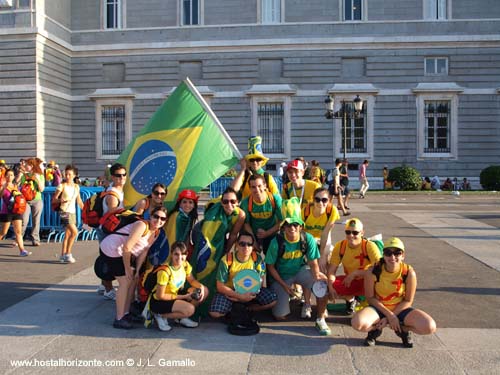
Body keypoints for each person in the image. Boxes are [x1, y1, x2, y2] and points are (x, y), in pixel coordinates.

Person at [351, 237, 437, 347]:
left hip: (401, 309)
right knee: (357, 323)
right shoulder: (372, 271)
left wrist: (390, 317)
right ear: (383, 255)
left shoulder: (408, 272)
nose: (392, 257)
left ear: (403, 255)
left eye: (397, 253)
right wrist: (389, 316)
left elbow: (408, 300)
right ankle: (375, 330)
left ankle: (402, 330)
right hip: (379, 308)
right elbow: (370, 298)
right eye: (388, 253)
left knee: (429, 327)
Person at [265, 197, 331, 335]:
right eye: (288, 225)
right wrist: (284, 285)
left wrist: (318, 275)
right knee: (279, 316)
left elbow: (313, 262)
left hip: (301, 270)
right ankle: (285, 299)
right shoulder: (276, 242)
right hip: (282, 276)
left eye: (296, 224)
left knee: (322, 286)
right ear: (283, 227)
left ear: (301, 226)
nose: (292, 228)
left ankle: (320, 318)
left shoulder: (308, 238)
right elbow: (270, 266)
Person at [99, 206, 166, 329]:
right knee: (125, 282)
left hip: (124, 253)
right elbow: (127, 247)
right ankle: (119, 318)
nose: (158, 220)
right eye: (156, 216)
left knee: (133, 280)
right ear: (150, 216)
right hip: (112, 248)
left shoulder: (156, 232)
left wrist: (137, 271)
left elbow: (143, 251)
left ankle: (126, 313)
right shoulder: (141, 225)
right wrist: (127, 268)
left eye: (162, 218)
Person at [190, 187, 246, 317]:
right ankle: (195, 300)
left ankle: (206, 299)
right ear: (221, 202)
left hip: (220, 239)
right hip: (202, 234)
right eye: (225, 202)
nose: (229, 205)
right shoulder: (215, 206)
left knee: (215, 266)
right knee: (202, 264)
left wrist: (225, 252)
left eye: (233, 201)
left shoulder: (240, 215)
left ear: (238, 202)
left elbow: (233, 235)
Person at [209, 230, 277, 319]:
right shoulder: (227, 259)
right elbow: (220, 286)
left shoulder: (257, 258)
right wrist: (238, 296)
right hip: (231, 291)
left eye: (249, 244)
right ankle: (233, 309)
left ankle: (252, 308)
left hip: (251, 290)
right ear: (236, 245)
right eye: (242, 244)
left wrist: (250, 296)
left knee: (273, 301)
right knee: (214, 313)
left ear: (253, 247)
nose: (246, 247)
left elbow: (260, 281)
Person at [145, 241, 208, 331]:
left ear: (186, 255)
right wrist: (184, 297)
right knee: (190, 309)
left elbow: (192, 280)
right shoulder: (165, 271)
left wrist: (200, 287)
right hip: (159, 301)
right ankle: (159, 315)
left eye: (183, 254)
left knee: (204, 290)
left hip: (175, 295)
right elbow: (160, 296)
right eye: (176, 254)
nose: (179, 257)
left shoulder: (185, 265)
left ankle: (180, 317)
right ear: (171, 254)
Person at [327, 218, 381, 315]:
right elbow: (331, 271)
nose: (351, 236)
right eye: (348, 232)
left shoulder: (369, 246)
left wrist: (356, 273)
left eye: (355, 233)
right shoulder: (340, 246)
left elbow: (380, 269)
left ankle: (372, 305)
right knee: (324, 287)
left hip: (368, 282)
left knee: (382, 286)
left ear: (362, 233)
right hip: (350, 281)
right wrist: (330, 286)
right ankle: (351, 299)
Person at [300, 187, 340, 319]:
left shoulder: (331, 211)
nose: (321, 203)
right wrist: (312, 256)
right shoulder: (305, 211)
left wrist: (322, 256)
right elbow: (302, 233)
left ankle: (323, 304)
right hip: (307, 241)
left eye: (324, 200)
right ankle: (306, 303)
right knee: (308, 270)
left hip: (323, 240)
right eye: (317, 199)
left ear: (329, 201)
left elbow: (325, 233)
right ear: (313, 199)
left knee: (326, 268)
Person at [97, 163, 127, 300]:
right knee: (108, 260)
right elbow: (113, 213)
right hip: (108, 231)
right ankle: (108, 289)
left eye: (123, 175)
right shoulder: (113, 194)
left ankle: (104, 285)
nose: (121, 178)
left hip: (112, 231)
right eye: (118, 175)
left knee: (108, 259)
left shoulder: (120, 190)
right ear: (113, 177)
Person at [240, 174, 283, 254]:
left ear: (265, 186)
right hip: (253, 234)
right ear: (249, 188)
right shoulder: (246, 203)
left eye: (259, 186)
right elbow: (246, 224)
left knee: (272, 255)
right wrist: (253, 241)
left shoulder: (275, 199)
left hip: (271, 232)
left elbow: (282, 221)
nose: (257, 189)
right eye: (253, 187)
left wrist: (267, 233)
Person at [52, 165, 84, 263]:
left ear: (74, 175)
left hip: (72, 211)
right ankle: (68, 254)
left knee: (68, 234)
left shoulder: (76, 186)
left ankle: (62, 254)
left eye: (69, 174)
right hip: (64, 211)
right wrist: (60, 200)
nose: (67, 176)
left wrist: (86, 211)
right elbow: (54, 199)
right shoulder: (62, 185)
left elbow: (79, 200)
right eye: (66, 174)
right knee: (75, 232)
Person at [231, 136, 279, 200]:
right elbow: (233, 189)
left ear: (262, 161)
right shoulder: (244, 176)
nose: (255, 162)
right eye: (252, 160)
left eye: (258, 159)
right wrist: (243, 169)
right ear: (249, 162)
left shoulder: (267, 177)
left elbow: (277, 198)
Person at [0, 169, 29, 256]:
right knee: (3, 233)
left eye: (11, 175)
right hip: (6, 212)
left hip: (16, 211)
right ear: (5, 176)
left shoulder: (15, 186)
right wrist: (4, 187)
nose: (9, 177)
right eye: (8, 175)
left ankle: (22, 250)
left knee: (18, 232)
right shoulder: (2, 186)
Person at [18, 157, 45, 247]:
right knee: (24, 220)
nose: (25, 166)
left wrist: (37, 179)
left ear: (32, 166)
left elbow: (41, 189)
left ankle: (35, 239)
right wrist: (20, 175)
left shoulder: (40, 175)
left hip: (37, 199)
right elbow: (18, 185)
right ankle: (19, 238)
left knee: (36, 221)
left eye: (28, 165)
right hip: (25, 200)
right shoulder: (24, 176)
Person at [165, 189, 199, 260]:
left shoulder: (187, 216)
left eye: (190, 202)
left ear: (194, 205)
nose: (187, 205)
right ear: (179, 204)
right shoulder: (179, 217)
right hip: (170, 252)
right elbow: (173, 237)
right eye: (184, 202)